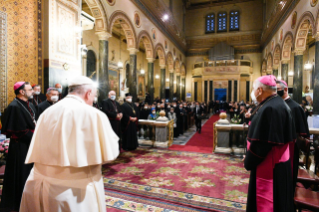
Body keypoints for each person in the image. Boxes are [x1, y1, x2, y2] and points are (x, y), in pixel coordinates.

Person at [20, 76, 119, 212]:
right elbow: (109, 155)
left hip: (38, 184)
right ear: (88, 93)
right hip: (74, 192)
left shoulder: (46, 112)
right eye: (94, 96)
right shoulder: (93, 114)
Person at [244, 75, 296, 212]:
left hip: (270, 166)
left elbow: (261, 145)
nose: (253, 93)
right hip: (278, 165)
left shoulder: (269, 108)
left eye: (254, 89)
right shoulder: (277, 103)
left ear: (260, 90)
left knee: (270, 203)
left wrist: (248, 160)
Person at [0, 82, 37, 211]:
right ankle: (19, 202)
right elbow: (20, 131)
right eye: (30, 89)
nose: (32, 91)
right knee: (21, 174)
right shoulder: (14, 106)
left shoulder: (30, 105)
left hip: (29, 145)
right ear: (22, 92)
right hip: (19, 148)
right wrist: (36, 138)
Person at [276, 80, 310, 196]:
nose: (276, 92)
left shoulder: (295, 107)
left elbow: (302, 133)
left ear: (285, 89)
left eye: (278, 89)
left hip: (290, 149)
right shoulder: (276, 106)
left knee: (288, 180)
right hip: (277, 148)